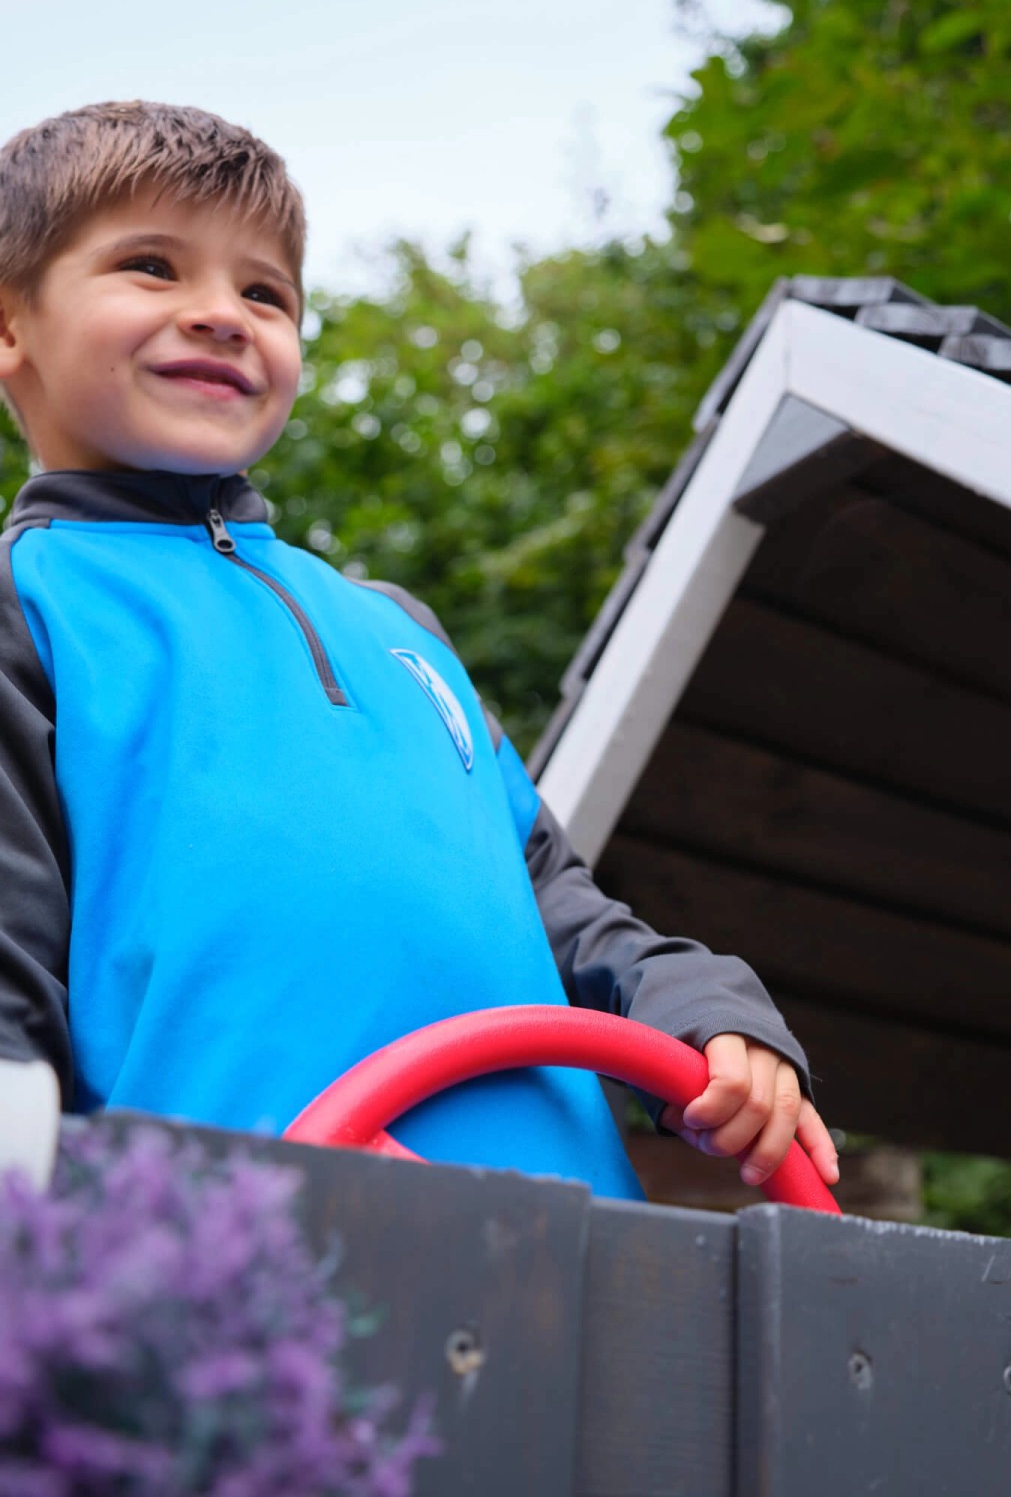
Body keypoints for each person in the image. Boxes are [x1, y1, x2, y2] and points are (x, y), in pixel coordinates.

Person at [0, 100, 839, 1202]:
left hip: (576, 1259)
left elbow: (556, 902)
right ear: (12, 326)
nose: (221, 315)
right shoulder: (31, 601)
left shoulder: (402, 632)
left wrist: (702, 1006)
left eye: (266, 292)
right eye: (151, 267)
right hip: (235, 1274)